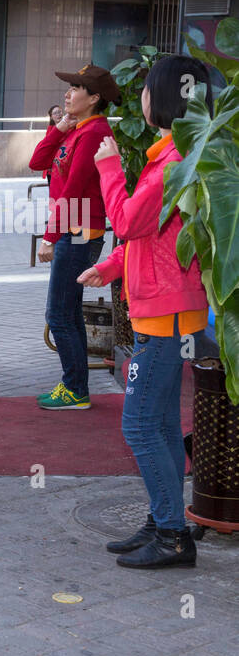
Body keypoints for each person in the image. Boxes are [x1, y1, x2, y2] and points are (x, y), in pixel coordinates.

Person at [77, 54, 212, 569]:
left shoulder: (175, 160)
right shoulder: (174, 155)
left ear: (164, 99)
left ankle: (173, 536)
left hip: (167, 316)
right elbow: (153, 236)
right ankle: (164, 519)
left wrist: (108, 165)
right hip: (167, 311)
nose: (140, 98)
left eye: (147, 90)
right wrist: (111, 268)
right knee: (156, 423)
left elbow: (130, 221)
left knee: (140, 426)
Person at [29, 62, 117, 410]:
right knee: (67, 312)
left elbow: (76, 190)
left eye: (76, 89)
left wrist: (50, 237)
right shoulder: (79, 130)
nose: (67, 93)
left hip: (78, 232)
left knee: (59, 314)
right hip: (73, 229)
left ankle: (75, 389)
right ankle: (76, 385)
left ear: (94, 97)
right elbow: (38, 162)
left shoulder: (94, 133)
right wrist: (60, 128)